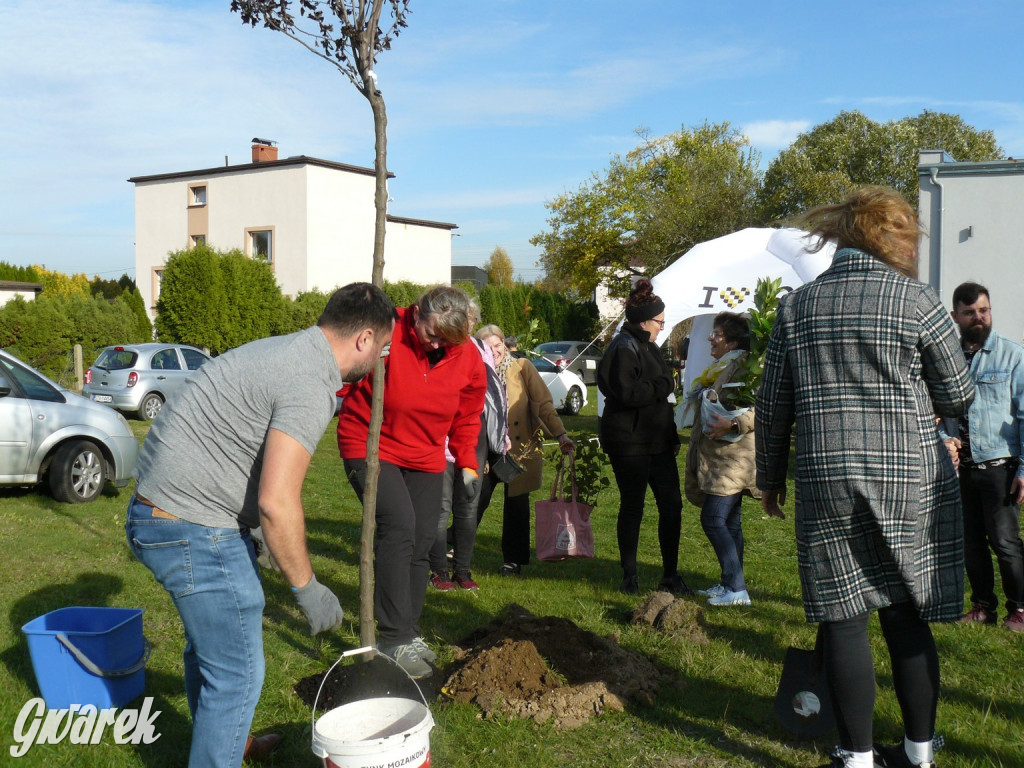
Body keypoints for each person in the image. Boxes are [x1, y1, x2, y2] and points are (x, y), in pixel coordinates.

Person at [126, 283, 395, 768]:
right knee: (239, 673)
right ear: (364, 338)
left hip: (161, 508)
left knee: (213, 649)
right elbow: (276, 501)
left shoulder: (287, 350)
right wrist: (308, 588)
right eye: (382, 349)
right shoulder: (309, 381)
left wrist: (247, 528)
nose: (379, 360)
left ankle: (229, 739)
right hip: (188, 524)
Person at [756, 186, 974, 768]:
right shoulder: (918, 300)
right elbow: (957, 392)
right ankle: (919, 753)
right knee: (904, 615)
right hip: (909, 475)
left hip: (826, 473)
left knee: (845, 618)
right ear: (896, 239)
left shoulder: (797, 305)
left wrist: (769, 477)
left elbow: (774, 405)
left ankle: (856, 759)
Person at [337, 285, 486, 678]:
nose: (437, 345)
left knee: (423, 540)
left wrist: (468, 462)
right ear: (416, 312)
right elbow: (338, 368)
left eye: (447, 341)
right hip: (369, 444)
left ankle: (408, 632)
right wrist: (365, 359)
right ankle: (391, 638)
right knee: (399, 527)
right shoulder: (385, 329)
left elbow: (469, 415)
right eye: (432, 333)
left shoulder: (466, 355)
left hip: (426, 453)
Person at [597, 278, 688, 596]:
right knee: (633, 506)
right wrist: (665, 386)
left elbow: (661, 401)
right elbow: (628, 393)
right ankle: (630, 576)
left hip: (657, 441)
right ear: (644, 320)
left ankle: (670, 574)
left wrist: (671, 433)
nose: (663, 327)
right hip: (630, 442)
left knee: (672, 506)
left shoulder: (646, 346)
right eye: (661, 322)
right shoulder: (623, 347)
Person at [943, 282, 1024, 632]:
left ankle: (1019, 610)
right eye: (970, 312)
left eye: (984, 311)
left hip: (1000, 466)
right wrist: (944, 438)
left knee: (1005, 542)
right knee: (970, 542)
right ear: (955, 316)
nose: (979, 318)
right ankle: (982, 606)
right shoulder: (945, 359)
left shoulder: (1012, 354)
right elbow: (936, 411)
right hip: (961, 469)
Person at [475, 323, 575, 575]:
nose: (495, 351)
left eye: (498, 345)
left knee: (517, 506)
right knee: (476, 499)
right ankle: (453, 544)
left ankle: (513, 559)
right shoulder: (475, 371)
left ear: (504, 345)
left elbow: (543, 405)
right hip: (488, 450)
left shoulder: (522, 368)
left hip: (521, 448)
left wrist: (561, 434)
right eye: (488, 347)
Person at [428, 303, 508, 592]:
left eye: (472, 319)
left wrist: (498, 436)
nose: (469, 324)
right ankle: (438, 570)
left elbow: (493, 395)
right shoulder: (436, 347)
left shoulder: (480, 349)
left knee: (469, 506)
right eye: (464, 319)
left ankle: (462, 568)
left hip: (474, 440)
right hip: (440, 439)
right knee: (441, 507)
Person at [683, 312, 759, 606]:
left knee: (713, 519)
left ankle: (737, 589)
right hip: (721, 459)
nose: (709, 338)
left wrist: (732, 424)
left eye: (716, 334)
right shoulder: (724, 367)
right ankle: (730, 585)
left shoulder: (743, 368)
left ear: (732, 341)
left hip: (732, 459)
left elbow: (760, 407)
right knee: (730, 521)